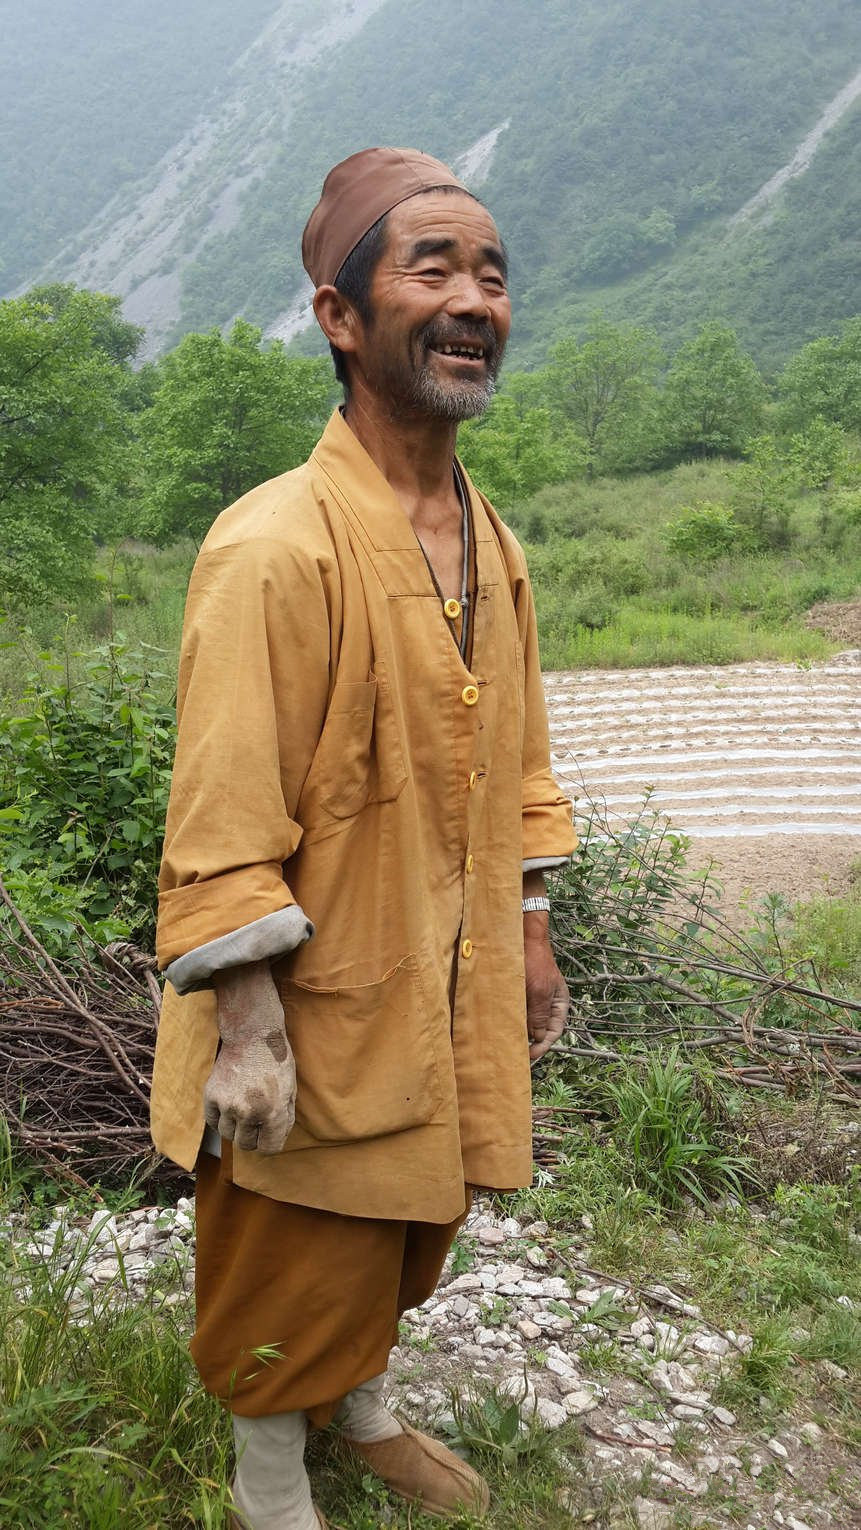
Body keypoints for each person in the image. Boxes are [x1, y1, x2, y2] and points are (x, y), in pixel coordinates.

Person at [151, 146, 576, 1530]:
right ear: (341, 317)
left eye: (491, 274)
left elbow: (517, 752)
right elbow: (218, 810)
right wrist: (251, 1022)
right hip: (312, 992)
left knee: (411, 1209)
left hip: (445, 971)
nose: (471, 299)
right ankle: (269, 1468)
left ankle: (365, 1400)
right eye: (431, 268)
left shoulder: (486, 535)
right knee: (292, 1237)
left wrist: (527, 925)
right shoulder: (275, 544)